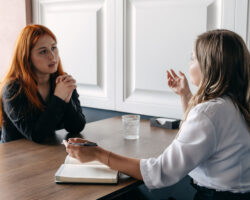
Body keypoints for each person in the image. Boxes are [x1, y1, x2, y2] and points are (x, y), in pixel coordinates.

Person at [63, 29, 250, 199]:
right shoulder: (234, 104)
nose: (189, 63)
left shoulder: (210, 112)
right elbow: (205, 136)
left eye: (193, 58)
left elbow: (161, 172)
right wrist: (185, 95)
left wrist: (97, 154)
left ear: (209, 66)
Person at [0, 24, 86, 143]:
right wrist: (59, 98)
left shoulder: (61, 80)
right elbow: (36, 135)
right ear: (27, 58)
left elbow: (76, 127)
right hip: (15, 157)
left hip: (46, 153)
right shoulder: (13, 89)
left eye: (53, 48)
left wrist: (67, 100)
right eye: (43, 51)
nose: (52, 56)